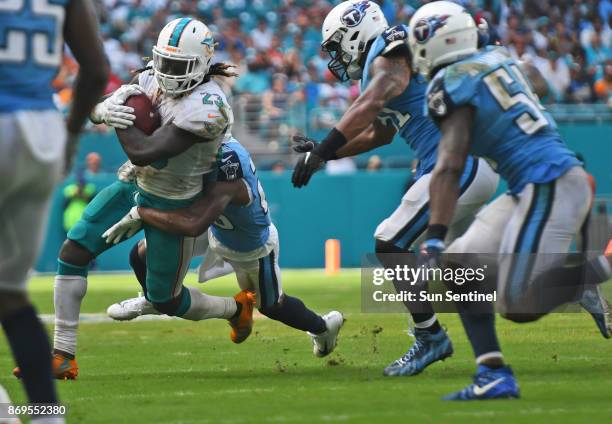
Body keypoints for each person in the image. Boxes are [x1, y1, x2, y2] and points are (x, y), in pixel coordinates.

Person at [20, 17, 246, 380]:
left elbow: (146, 150)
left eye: (179, 66)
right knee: (73, 252)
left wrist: (115, 116)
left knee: (165, 299)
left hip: (175, 201)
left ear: (202, 65)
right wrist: (101, 110)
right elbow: (106, 107)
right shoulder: (150, 78)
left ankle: (234, 310)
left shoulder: (209, 105)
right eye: (165, 63)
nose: (168, 73)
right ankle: (62, 355)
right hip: (135, 185)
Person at [408, 1, 612, 400]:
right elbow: (531, 80)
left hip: (548, 182)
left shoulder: (451, 80)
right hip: (532, 184)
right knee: (460, 265)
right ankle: (493, 373)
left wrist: (434, 235)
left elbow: (449, 164)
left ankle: (595, 270)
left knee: (518, 304)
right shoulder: (497, 60)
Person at [291, 0, 499, 377]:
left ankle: (430, 336)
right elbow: (379, 134)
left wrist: (323, 151)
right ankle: (570, 284)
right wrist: (327, 150)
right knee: (458, 267)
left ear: (356, 32)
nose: (336, 57)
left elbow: (373, 102)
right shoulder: (381, 66)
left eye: (337, 45)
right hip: (464, 163)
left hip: (453, 164)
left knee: (389, 242)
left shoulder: (387, 50)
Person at [103, 138, 344, 356]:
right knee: (143, 254)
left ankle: (323, 327)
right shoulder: (202, 143)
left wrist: (141, 212)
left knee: (271, 306)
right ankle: (153, 300)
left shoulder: (228, 165)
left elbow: (194, 223)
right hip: (215, 228)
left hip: (248, 245)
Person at [1, 0, 109, 420]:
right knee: (9, 292)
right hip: (43, 134)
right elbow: (96, 70)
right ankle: (47, 412)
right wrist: (69, 137)